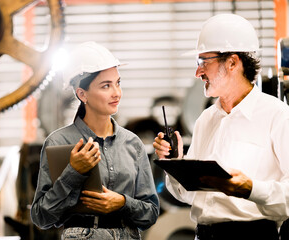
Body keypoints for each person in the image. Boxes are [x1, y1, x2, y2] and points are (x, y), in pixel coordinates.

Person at [153, 14, 289, 240]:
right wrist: (175, 163)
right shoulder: (206, 119)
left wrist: (251, 189)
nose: (198, 73)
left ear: (233, 62)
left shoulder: (277, 115)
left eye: (203, 62)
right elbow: (190, 195)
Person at [31, 41, 159, 239]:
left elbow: (150, 214)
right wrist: (73, 173)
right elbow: (41, 217)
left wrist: (122, 203)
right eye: (106, 86)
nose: (116, 92)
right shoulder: (59, 142)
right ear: (82, 94)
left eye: (118, 82)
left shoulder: (133, 144)